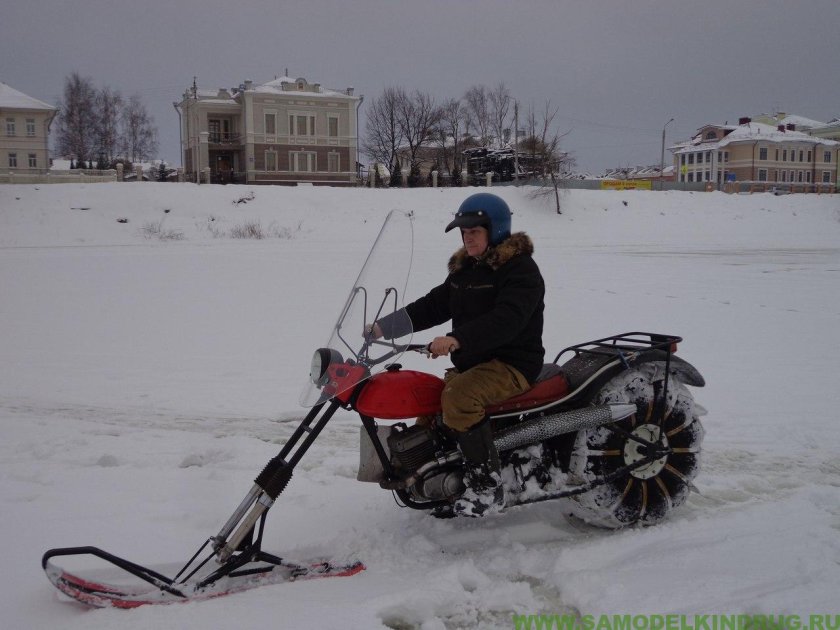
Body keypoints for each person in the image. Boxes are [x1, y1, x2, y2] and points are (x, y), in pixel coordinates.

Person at [371, 192, 545, 517]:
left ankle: (486, 487)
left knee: (459, 397)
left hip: (512, 364)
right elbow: (434, 305)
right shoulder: (467, 270)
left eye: (474, 231)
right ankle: (434, 476)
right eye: (464, 232)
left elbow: (507, 320)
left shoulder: (520, 270)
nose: (468, 238)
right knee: (432, 398)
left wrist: (456, 339)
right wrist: (384, 327)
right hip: (475, 362)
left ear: (495, 230)